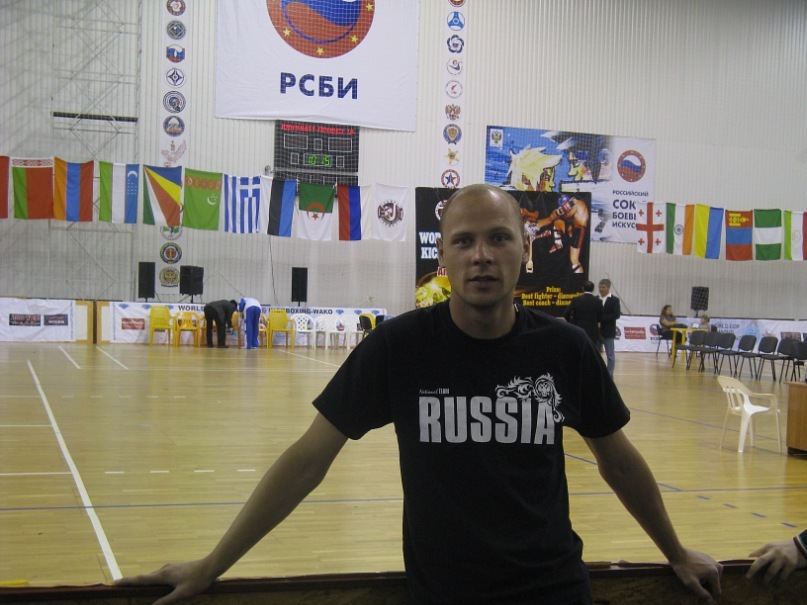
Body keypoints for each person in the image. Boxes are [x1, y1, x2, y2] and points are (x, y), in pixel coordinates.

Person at [117, 184, 722, 604]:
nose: (481, 256)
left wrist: (674, 551)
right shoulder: (399, 347)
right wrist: (212, 564)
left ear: (525, 249)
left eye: (498, 239)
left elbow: (619, 462)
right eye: (463, 241)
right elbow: (306, 462)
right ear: (443, 256)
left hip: (554, 592)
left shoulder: (565, 350)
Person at [564, 280, 602, 345]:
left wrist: (571, 322)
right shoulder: (598, 301)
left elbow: (566, 313)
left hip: (578, 329)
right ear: (593, 289)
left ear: (582, 288)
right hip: (592, 331)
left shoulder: (576, 300)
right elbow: (600, 317)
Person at [599, 279, 621, 377]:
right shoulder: (596, 299)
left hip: (608, 332)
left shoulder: (614, 300)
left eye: (603, 287)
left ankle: (609, 376)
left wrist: (602, 318)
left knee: (610, 356)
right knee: (596, 355)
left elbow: (616, 314)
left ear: (608, 287)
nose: (601, 289)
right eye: (600, 287)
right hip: (597, 332)